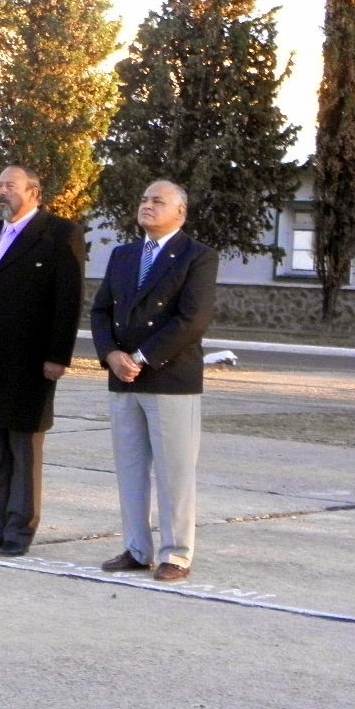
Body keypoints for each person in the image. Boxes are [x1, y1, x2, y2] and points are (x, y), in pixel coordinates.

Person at [90, 180, 218, 583]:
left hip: (169, 378)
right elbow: (99, 311)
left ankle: (176, 554)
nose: (147, 205)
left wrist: (140, 358)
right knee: (130, 468)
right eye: (144, 198)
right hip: (123, 377)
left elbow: (192, 320)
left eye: (157, 201)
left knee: (174, 471)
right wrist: (111, 355)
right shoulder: (124, 255)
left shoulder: (196, 257)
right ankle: (136, 548)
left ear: (180, 212)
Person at [0, 166, 86, 556]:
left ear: (34, 193)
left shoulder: (60, 234)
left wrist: (58, 355)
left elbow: (69, 299)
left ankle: (18, 531)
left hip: (31, 361)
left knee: (24, 448)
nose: (1, 192)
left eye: (10, 186)